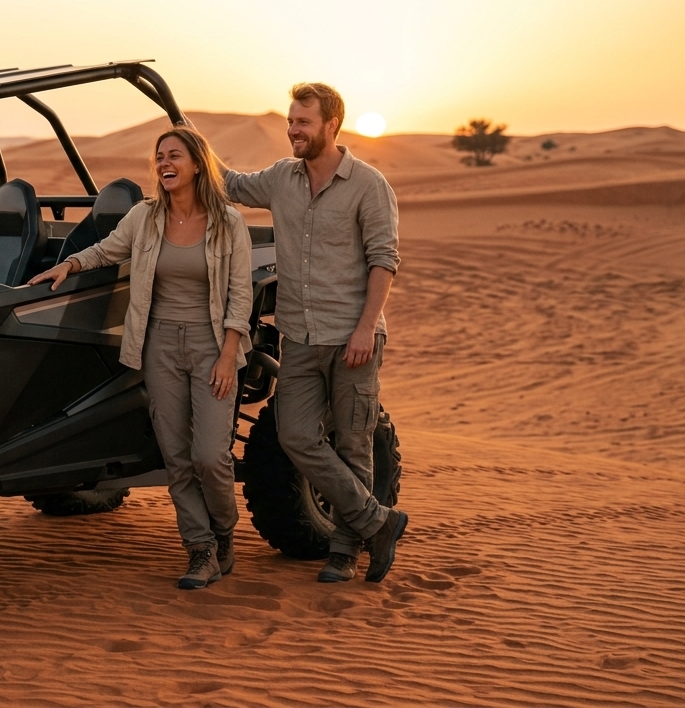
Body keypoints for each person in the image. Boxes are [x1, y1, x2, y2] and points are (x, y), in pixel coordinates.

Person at [29, 126, 252, 590]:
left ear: (196, 164)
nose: (165, 164)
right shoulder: (145, 218)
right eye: (159, 157)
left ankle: (225, 531)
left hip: (213, 346)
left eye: (174, 156)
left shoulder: (228, 222)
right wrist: (69, 265)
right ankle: (200, 549)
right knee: (175, 454)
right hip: (160, 347)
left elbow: (239, 295)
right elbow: (106, 250)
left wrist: (229, 354)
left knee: (210, 456)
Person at [222, 82, 408, 583]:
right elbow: (233, 185)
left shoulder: (368, 185)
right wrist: (190, 147)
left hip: (354, 337)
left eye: (303, 122)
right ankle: (378, 522)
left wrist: (366, 329)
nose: (292, 131)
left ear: (332, 124)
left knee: (353, 443)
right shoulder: (282, 178)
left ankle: (346, 552)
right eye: (290, 121)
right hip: (300, 337)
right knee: (296, 435)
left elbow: (383, 261)